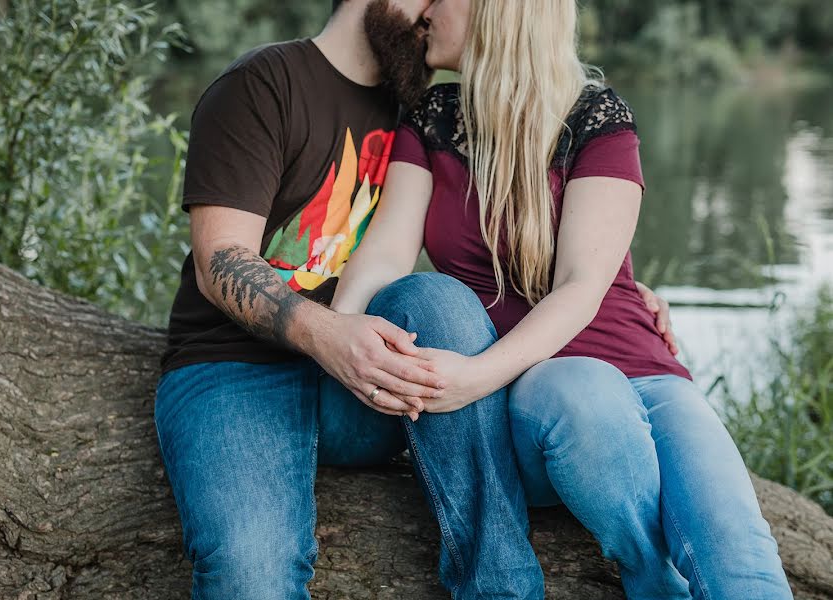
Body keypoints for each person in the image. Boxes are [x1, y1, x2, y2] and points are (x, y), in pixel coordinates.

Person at [154, 0, 678, 597]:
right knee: (252, 573)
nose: (438, 7)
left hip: (359, 384)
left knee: (439, 300)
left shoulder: (422, 113)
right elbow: (218, 259)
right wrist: (328, 334)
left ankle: (499, 586)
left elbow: (468, 249)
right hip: (235, 371)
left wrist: (617, 286)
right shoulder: (264, 83)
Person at [331, 1, 794, 599]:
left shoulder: (598, 117)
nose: (425, 9)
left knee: (740, 552)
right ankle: (653, 575)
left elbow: (582, 283)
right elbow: (388, 253)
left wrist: (472, 375)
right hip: (537, 398)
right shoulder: (431, 119)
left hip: (648, 377)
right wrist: (337, 336)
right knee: (579, 390)